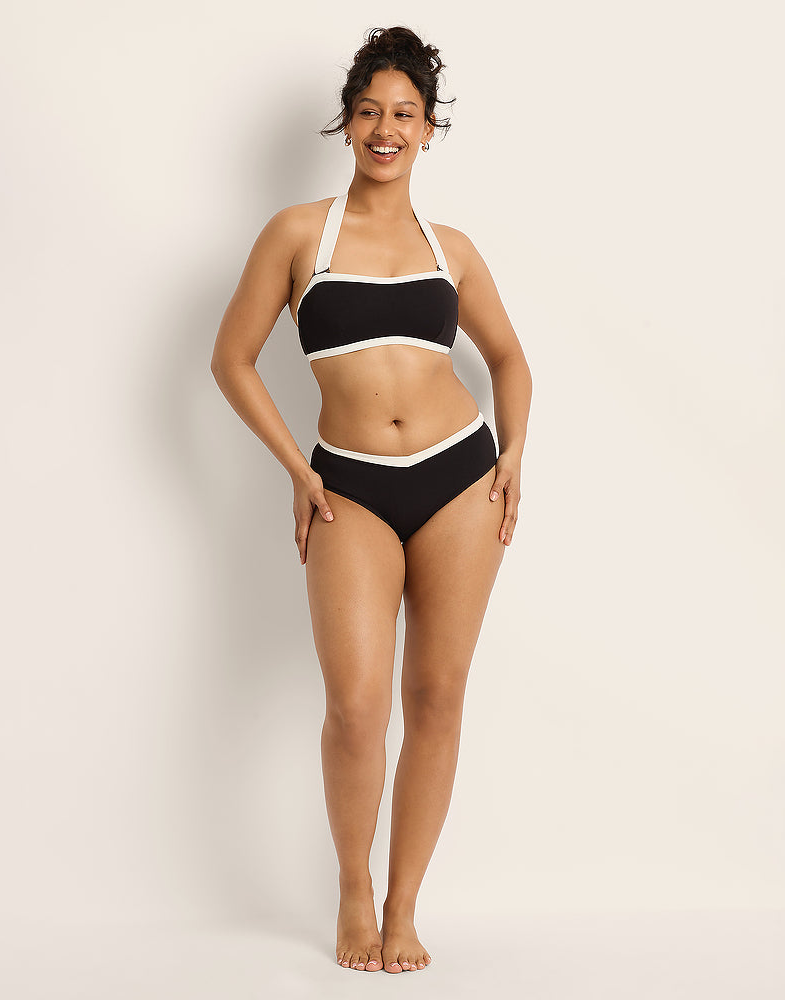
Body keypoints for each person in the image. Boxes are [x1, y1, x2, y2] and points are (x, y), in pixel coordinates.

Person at [210, 25, 532, 974]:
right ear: (346, 124)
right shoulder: (297, 235)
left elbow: (509, 358)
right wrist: (298, 469)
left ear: (428, 129)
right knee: (356, 707)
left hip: (461, 477)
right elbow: (231, 359)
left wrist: (515, 451)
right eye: (368, 113)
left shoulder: (452, 250)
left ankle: (404, 904)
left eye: (404, 114)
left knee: (436, 695)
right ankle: (353, 888)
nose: (385, 130)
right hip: (346, 484)